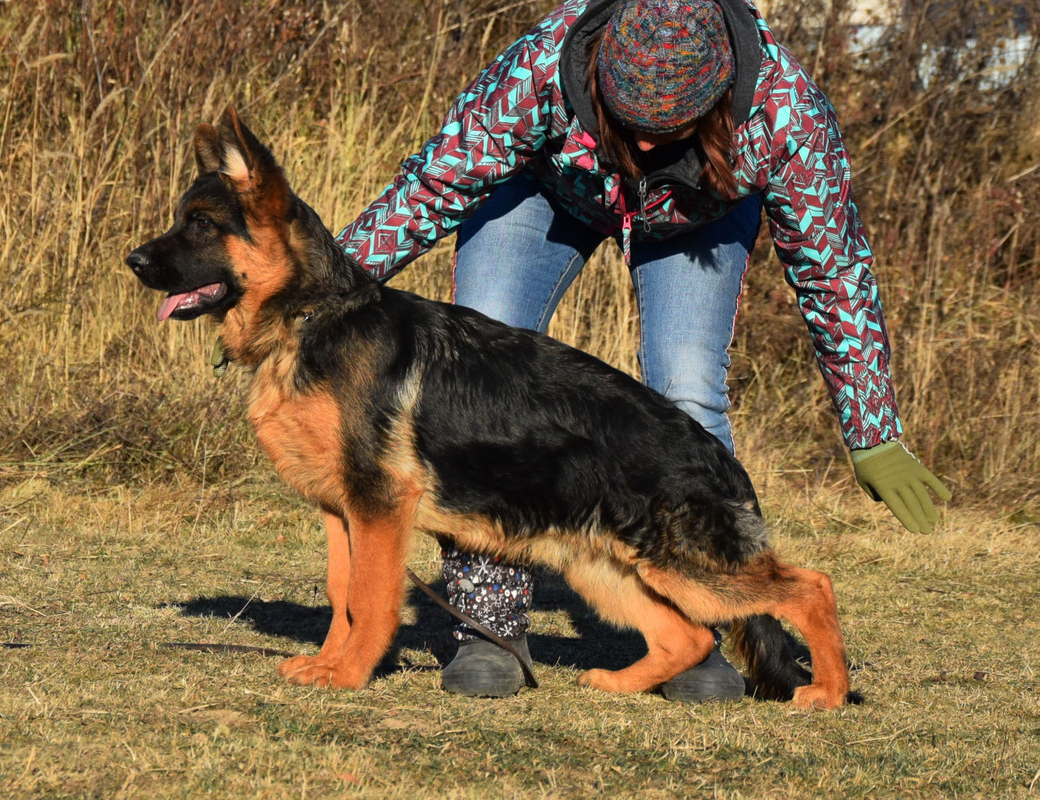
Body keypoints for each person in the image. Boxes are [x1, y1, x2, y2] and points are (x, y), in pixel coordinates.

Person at [333, 0, 951, 699]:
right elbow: (433, 185)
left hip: (702, 207)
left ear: (718, 100)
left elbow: (834, 272)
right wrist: (319, 297)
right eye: (631, 126)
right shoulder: (544, 65)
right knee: (483, 364)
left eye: (673, 131)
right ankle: (489, 624)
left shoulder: (785, 113)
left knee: (687, 384)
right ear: (597, 79)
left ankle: (697, 631)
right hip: (548, 190)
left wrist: (873, 433)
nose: (650, 147)